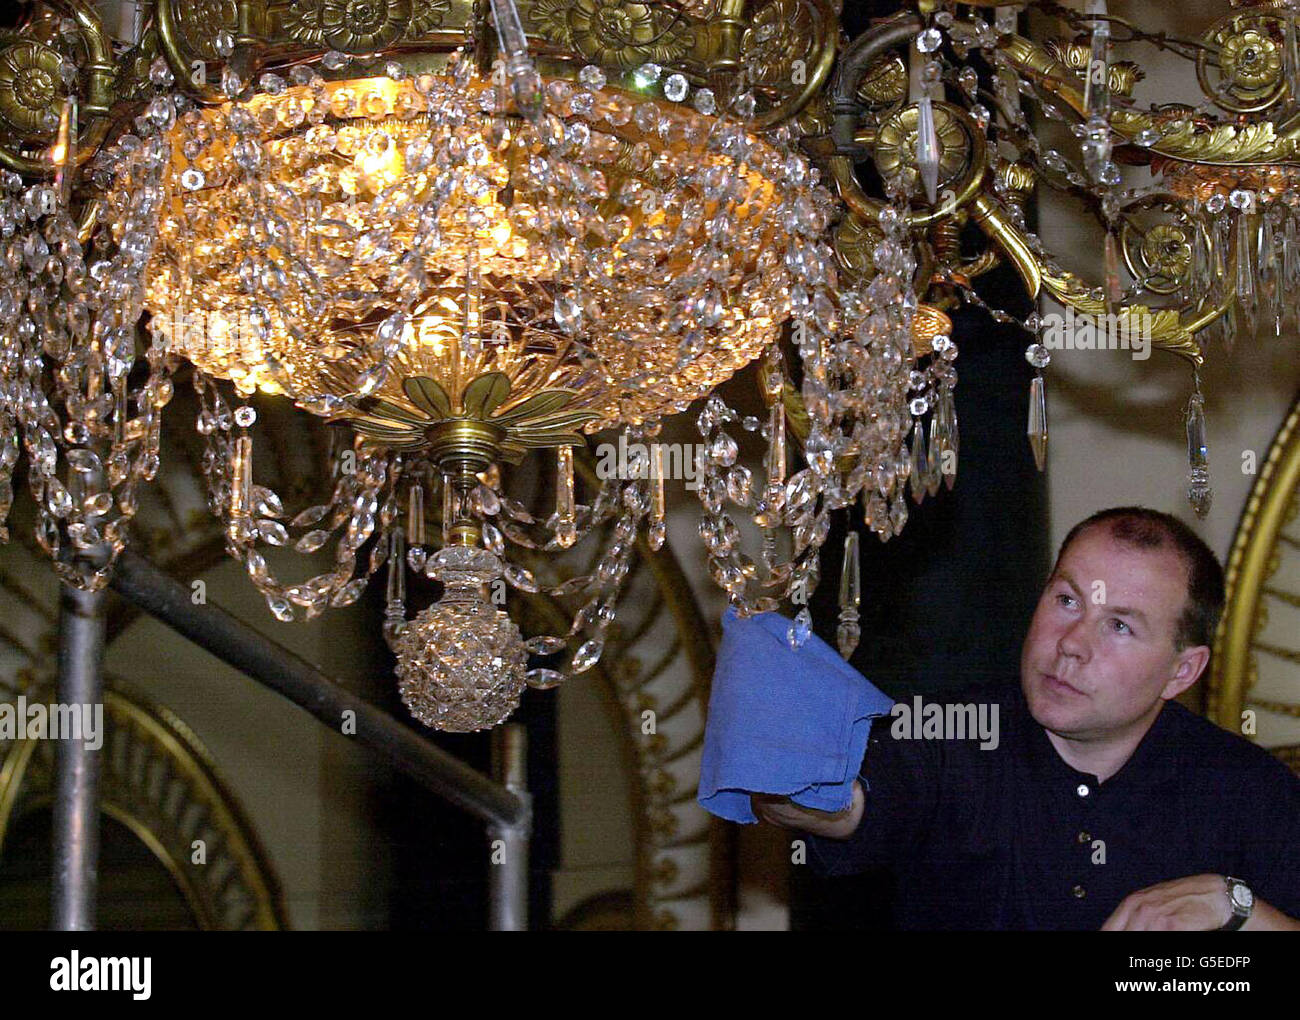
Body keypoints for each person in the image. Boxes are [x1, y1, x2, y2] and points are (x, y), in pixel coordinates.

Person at [753, 506, 1300, 930]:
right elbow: (855, 800)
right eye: (1066, 600)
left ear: (1182, 671)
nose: (1071, 645)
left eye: (1120, 627)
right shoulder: (949, 735)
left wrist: (1238, 908)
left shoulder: (1249, 790)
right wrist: (789, 776)